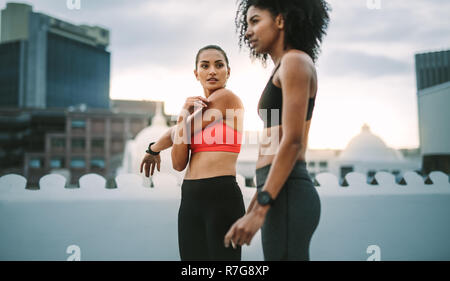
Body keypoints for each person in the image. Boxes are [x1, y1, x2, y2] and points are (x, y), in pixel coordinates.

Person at [224, 0, 330, 261]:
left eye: (255, 21)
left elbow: (292, 142)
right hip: (277, 190)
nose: (247, 31)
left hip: (289, 190)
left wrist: (261, 209)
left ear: (281, 20)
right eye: (246, 24)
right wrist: (256, 204)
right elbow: (275, 141)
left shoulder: (295, 61)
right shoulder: (284, 67)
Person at [140, 45, 245, 261]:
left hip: (221, 195)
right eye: (205, 66)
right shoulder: (193, 117)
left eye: (219, 65)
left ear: (228, 71)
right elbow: (179, 163)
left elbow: (176, 132)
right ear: (196, 74)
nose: (212, 71)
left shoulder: (227, 98)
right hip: (190, 198)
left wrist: (157, 145)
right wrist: (180, 121)